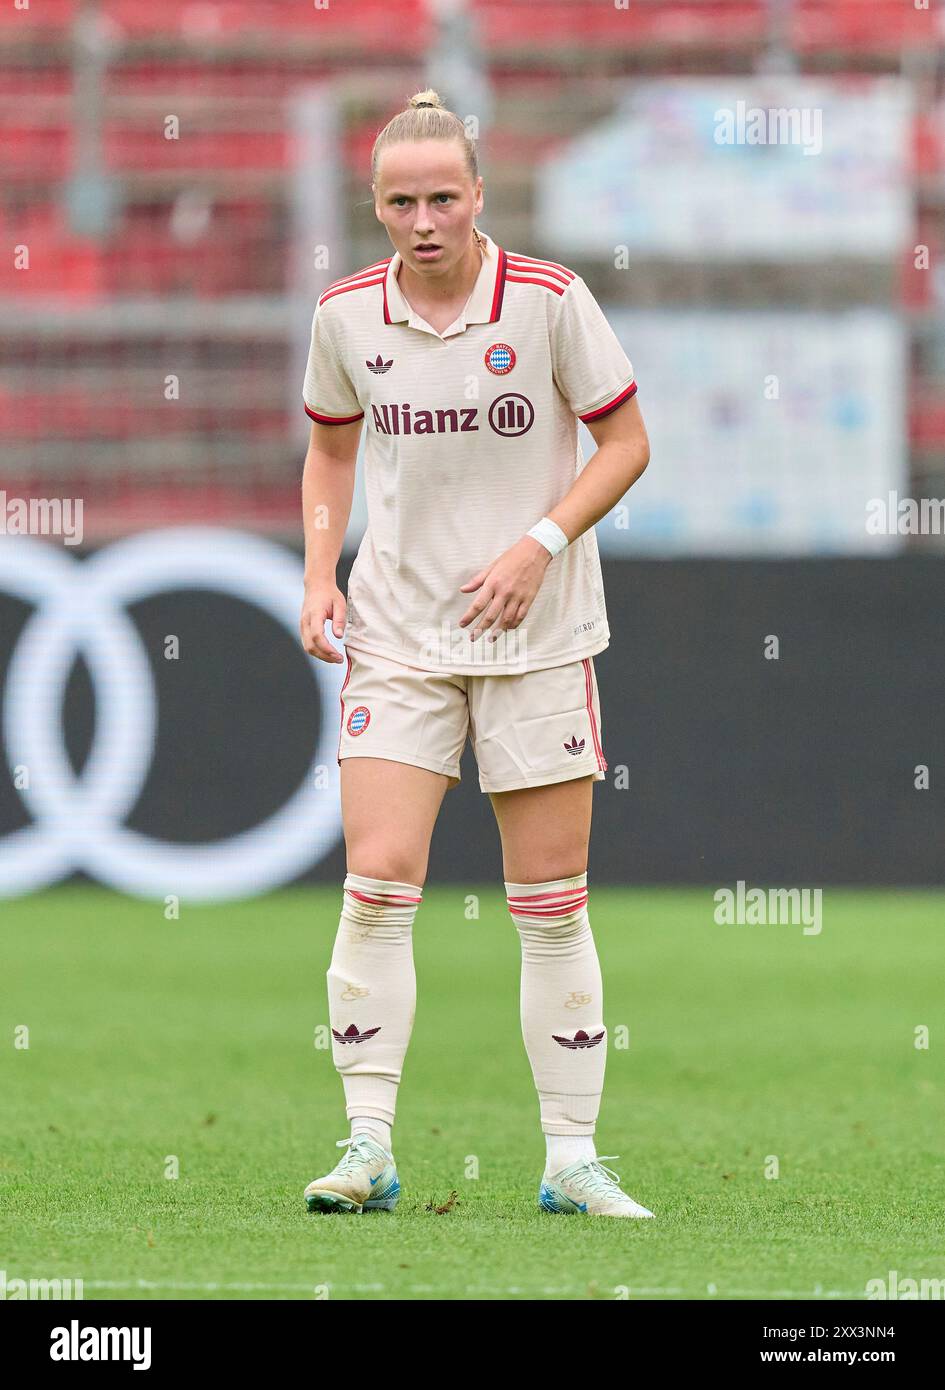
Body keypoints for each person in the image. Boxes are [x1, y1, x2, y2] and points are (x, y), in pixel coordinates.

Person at [299, 90, 651, 1218]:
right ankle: (365, 1145)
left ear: (479, 195)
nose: (423, 219)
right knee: (377, 879)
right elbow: (328, 455)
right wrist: (318, 572)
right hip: (399, 636)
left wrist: (540, 544)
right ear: (376, 207)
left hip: (537, 638)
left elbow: (628, 442)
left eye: (443, 195)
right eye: (400, 200)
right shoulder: (347, 318)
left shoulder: (550, 301)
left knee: (548, 900)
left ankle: (570, 1156)